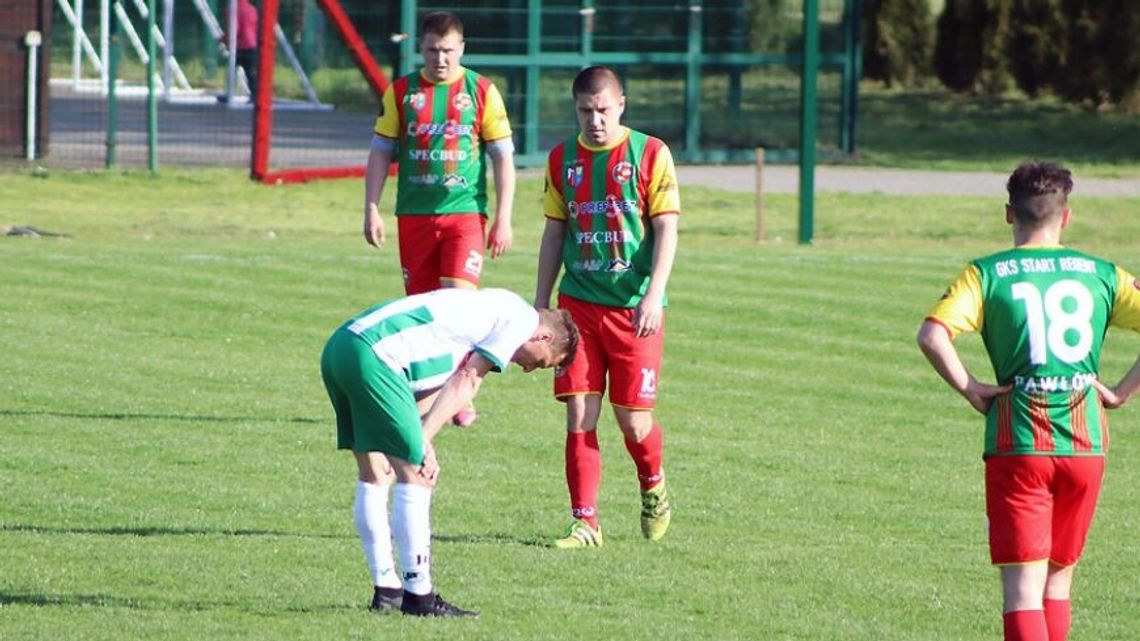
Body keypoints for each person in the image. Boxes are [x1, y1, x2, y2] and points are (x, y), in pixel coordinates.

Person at [917, 161, 1140, 641]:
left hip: (1019, 442)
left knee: (1022, 589)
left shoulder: (987, 274)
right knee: (1057, 581)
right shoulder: (1101, 273)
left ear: (1008, 214)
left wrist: (970, 386)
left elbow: (933, 336)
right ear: (1066, 216)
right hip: (1086, 444)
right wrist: (1121, 392)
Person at [321, 287, 579, 618]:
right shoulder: (518, 321)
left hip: (343, 345)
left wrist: (421, 438)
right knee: (417, 475)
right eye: (541, 364)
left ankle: (387, 591)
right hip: (375, 356)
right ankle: (420, 596)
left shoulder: (487, 310)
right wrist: (421, 445)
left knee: (375, 473)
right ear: (543, 336)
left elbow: (430, 386)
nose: (529, 370)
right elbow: (467, 381)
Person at [533, 65, 680, 548]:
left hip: (635, 310)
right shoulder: (561, 161)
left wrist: (655, 293)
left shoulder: (651, 154)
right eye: (584, 110)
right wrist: (540, 307)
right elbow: (555, 233)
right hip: (578, 308)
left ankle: (653, 485)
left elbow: (667, 230)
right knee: (579, 414)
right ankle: (585, 522)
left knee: (633, 422)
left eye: (602, 110)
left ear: (621, 104)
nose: (594, 120)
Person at [364, 11, 515, 428]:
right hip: (413, 216)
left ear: (462, 49)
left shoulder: (481, 91)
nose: (440, 58)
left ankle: (461, 391)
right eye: (432, 50)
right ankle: (431, 389)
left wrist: (503, 217)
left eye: (448, 50)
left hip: (465, 214)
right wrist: (371, 207)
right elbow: (380, 150)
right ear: (421, 49)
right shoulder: (402, 93)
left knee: (458, 303)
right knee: (424, 312)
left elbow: (503, 158)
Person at [219, 0, 258, 99]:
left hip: (239, 46)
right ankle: (255, 95)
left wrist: (224, 40)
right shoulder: (252, 9)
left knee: (231, 71)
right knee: (251, 73)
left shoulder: (232, 9)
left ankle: (229, 94)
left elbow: (234, 28)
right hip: (252, 45)